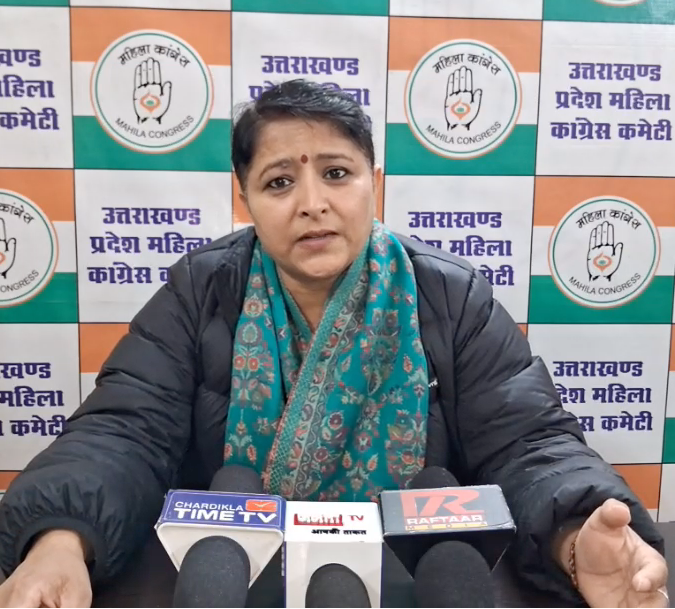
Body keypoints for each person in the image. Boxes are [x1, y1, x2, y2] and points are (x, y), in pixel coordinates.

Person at [0, 79, 667, 608]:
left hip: (410, 583)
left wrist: (574, 538)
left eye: (338, 173)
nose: (312, 203)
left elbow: (529, 442)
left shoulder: (449, 296)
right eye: (279, 182)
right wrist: (61, 539)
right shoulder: (201, 291)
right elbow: (123, 431)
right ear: (245, 199)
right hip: (234, 583)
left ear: (375, 180)